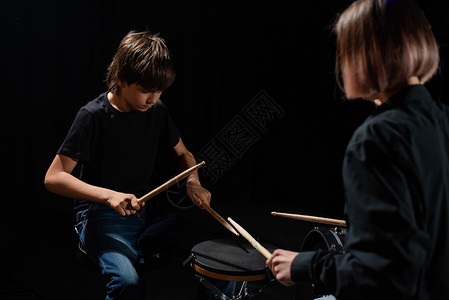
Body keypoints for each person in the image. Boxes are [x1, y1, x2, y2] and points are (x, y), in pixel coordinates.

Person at [267, 0, 449, 299]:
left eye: (345, 52)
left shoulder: (376, 139)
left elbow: (379, 276)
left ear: (366, 57)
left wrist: (305, 266)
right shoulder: (443, 120)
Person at [45, 31, 233, 300]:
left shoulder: (156, 110)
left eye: (159, 91)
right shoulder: (92, 116)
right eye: (146, 90)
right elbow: (54, 177)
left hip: (147, 213)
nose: (153, 98)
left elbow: (184, 154)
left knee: (221, 266)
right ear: (121, 79)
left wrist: (193, 182)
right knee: (127, 284)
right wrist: (109, 195)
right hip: (99, 216)